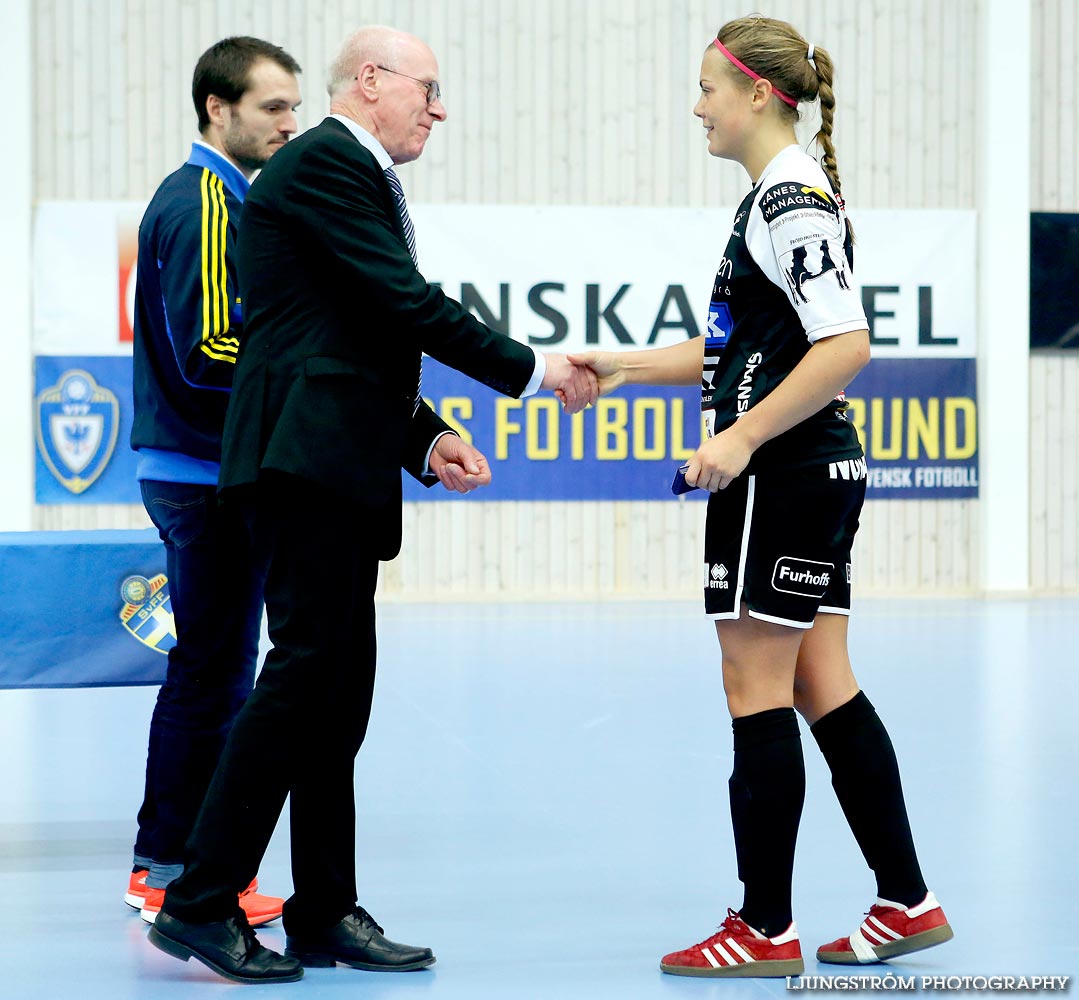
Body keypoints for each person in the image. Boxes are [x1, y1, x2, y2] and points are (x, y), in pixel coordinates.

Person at [146, 25, 597, 985]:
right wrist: (534, 368)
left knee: (336, 697)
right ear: (373, 81)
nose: (438, 109)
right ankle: (196, 900)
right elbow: (403, 303)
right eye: (428, 89)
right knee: (303, 679)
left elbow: (349, 334)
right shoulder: (322, 167)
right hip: (302, 464)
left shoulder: (341, 176)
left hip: (335, 460)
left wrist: (424, 435)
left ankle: (322, 911)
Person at [572, 15, 952, 979]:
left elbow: (845, 346)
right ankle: (906, 901)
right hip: (813, 469)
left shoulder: (786, 201)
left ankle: (763, 927)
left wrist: (738, 438)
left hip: (780, 474)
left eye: (707, 86)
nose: (695, 105)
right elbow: (739, 350)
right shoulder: (773, 202)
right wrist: (618, 366)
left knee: (755, 691)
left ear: (756, 96)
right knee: (823, 681)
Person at [127, 37, 302, 928]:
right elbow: (207, 355)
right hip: (204, 474)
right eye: (271, 107)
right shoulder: (205, 205)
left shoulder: (233, 200)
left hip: (205, 469)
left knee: (217, 668)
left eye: (293, 107)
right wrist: (315, 380)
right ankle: (166, 866)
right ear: (216, 109)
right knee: (212, 672)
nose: (289, 123)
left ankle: (171, 859)